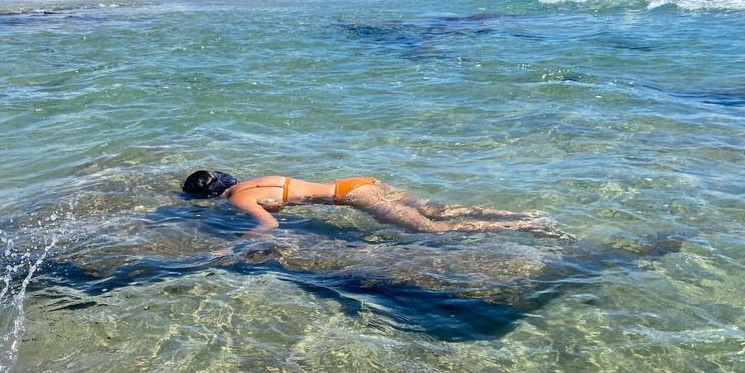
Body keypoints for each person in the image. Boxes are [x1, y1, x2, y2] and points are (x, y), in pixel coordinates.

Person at [182, 171, 564, 235]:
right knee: (440, 210)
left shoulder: (238, 198)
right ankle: (522, 215)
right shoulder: (252, 181)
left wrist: (239, 242)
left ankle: (523, 226)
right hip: (359, 181)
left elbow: (269, 225)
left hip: (352, 196)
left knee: (432, 230)